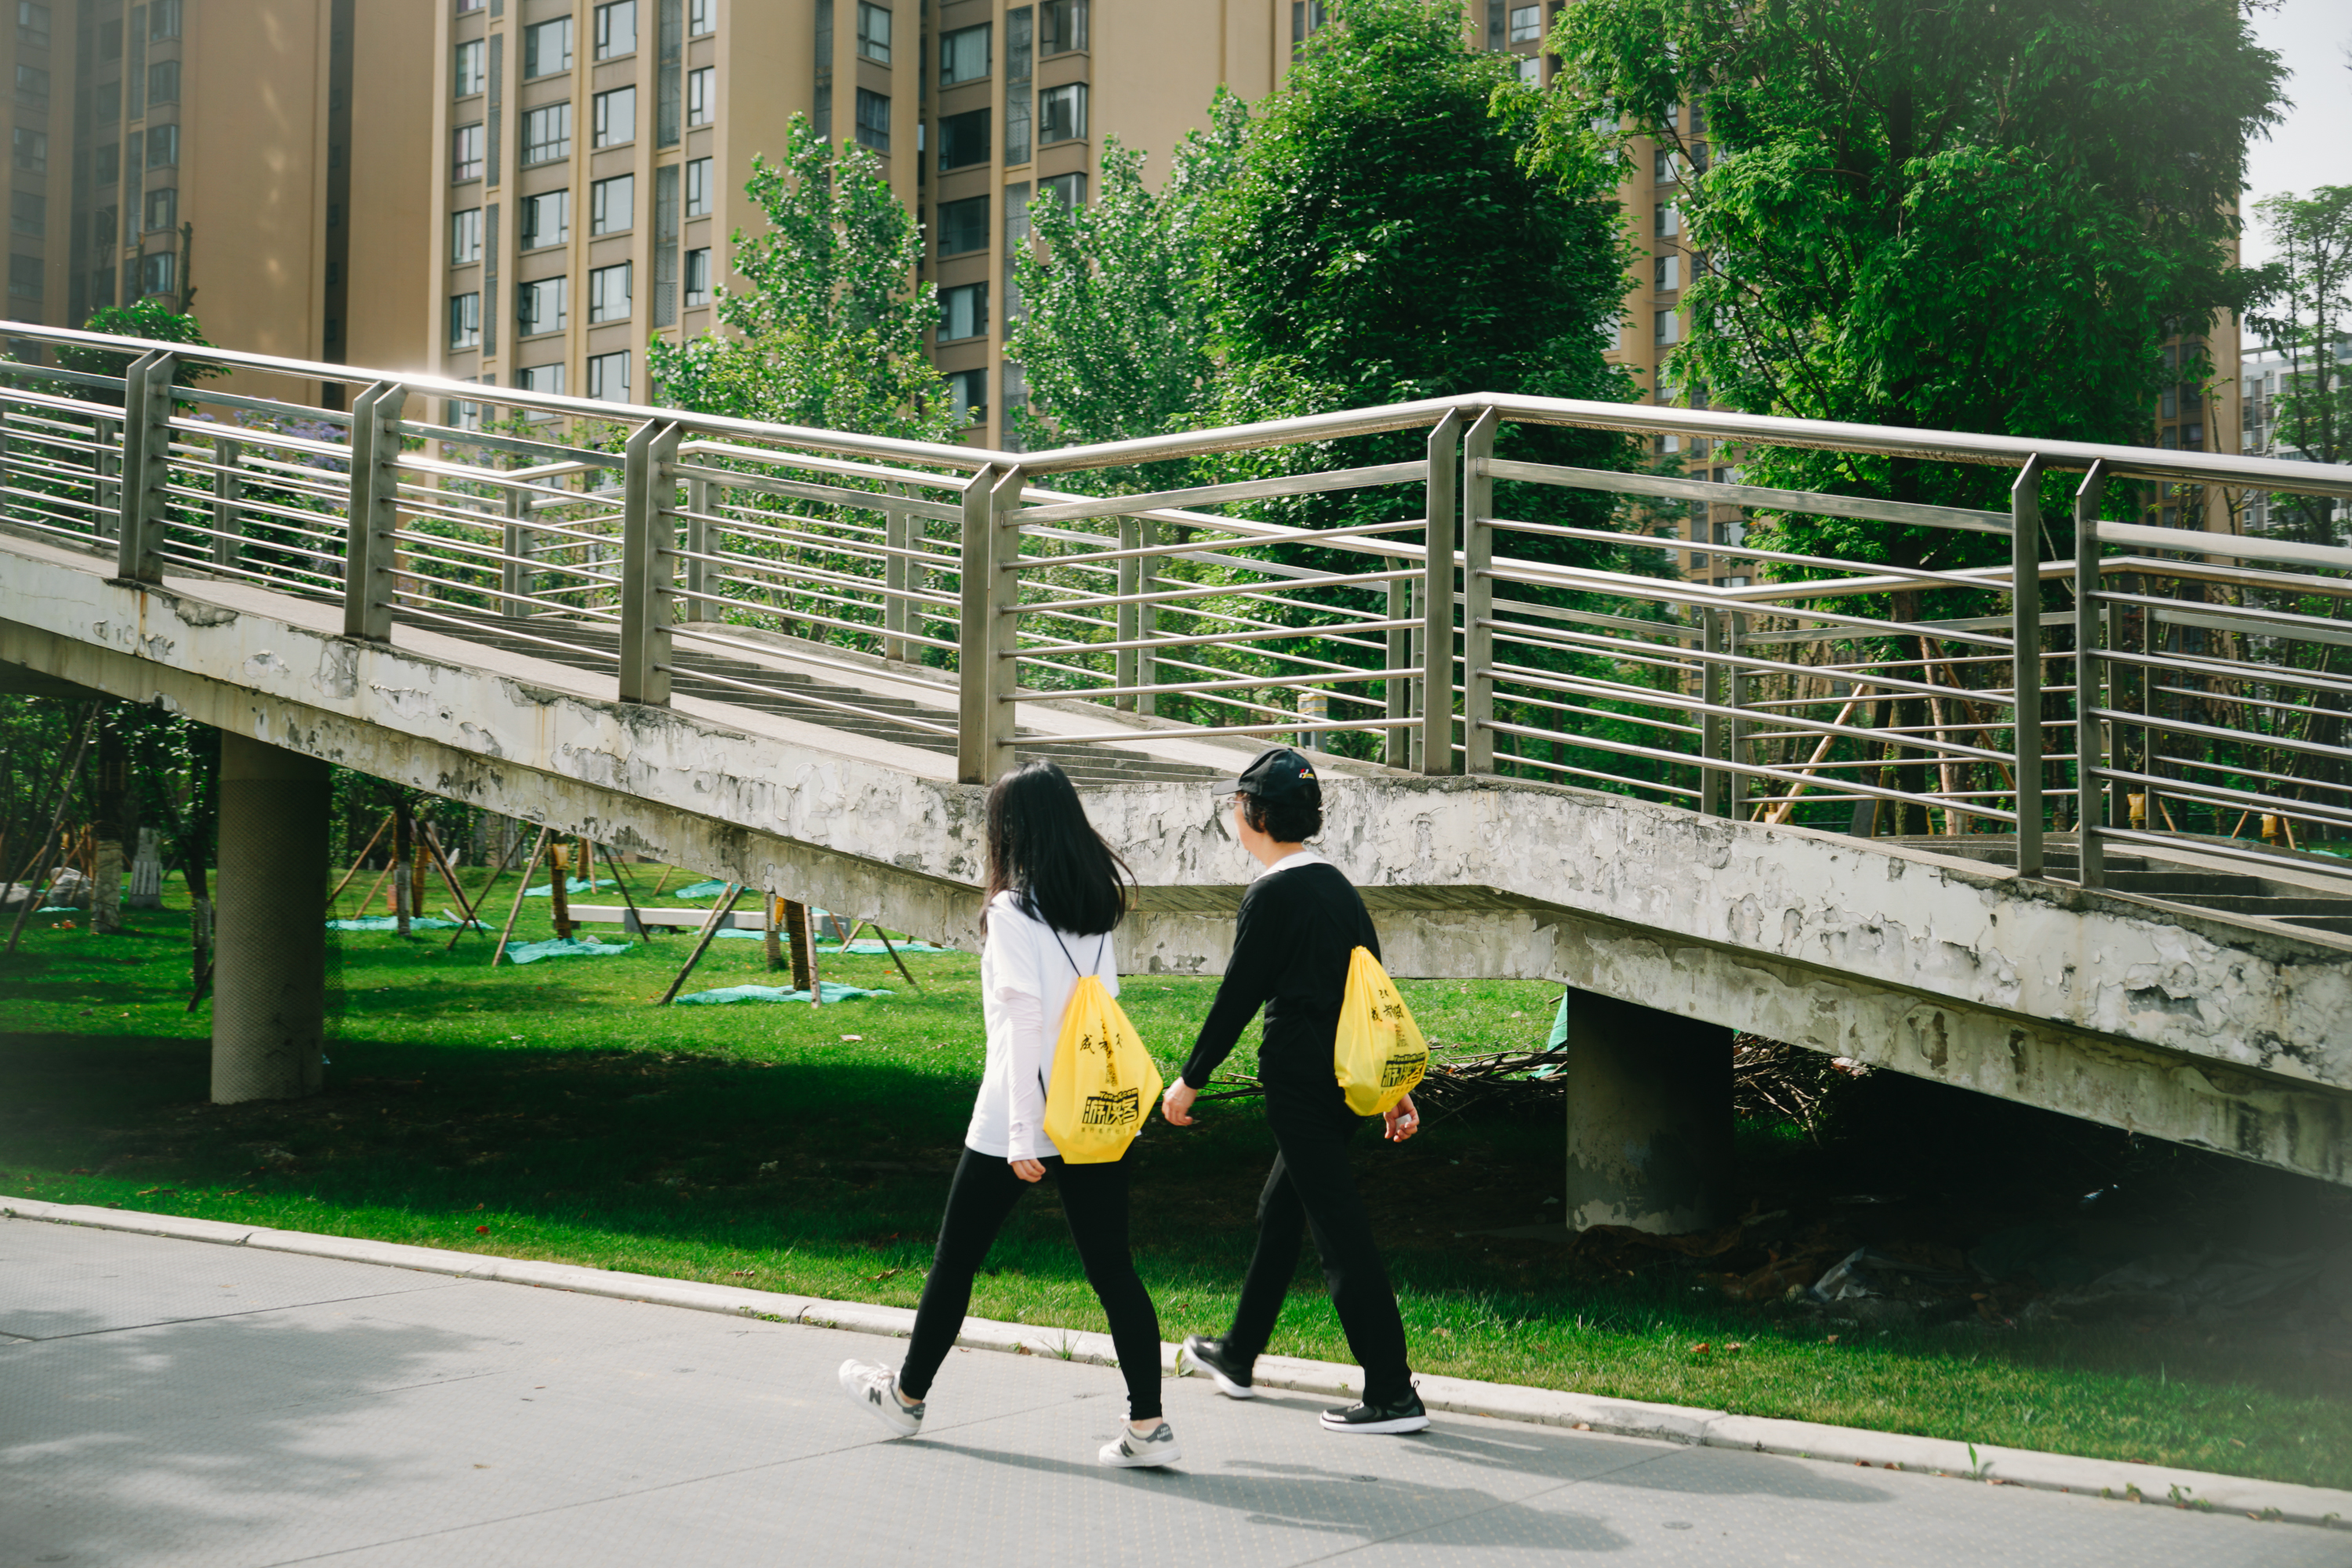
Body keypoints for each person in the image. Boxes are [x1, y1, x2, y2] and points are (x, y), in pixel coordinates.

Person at [840, 760, 1180, 1468]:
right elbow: (1103, 1005)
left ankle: (905, 1398)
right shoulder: (1095, 907)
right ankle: (1147, 1425)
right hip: (1090, 1111)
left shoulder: (1010, 912)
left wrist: (1024, 1133)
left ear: (1011, 832)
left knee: (956, 1260)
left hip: (1014, 1116)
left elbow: (1023, 1023)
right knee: (1113, 1271)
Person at [1160, 746, 1428, 1435]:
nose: (1234, 814)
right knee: (1280, 1209)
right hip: (1340, 1085)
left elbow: (1239, 995)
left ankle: (1392, 1392)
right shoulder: (1337, 887)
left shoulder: (1272, 894)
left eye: (1238, 804)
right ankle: (1238, 1354)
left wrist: (1190, 1079)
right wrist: (1388, 1089)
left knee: (1339, 1230)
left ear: (1255, 814)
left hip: (1301, 1083)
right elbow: (1371, 995)